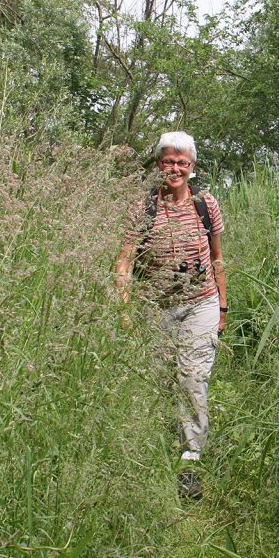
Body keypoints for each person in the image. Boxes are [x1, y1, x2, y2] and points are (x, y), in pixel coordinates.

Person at [115, 131, 227, 500]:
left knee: (193, 376)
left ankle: (190, 460)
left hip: (202, 303)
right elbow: (124, 261)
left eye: (182, 162)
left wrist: (223, 307)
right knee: (161, 380)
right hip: (156, 307)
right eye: (168, 161)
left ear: (192, 168)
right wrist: (125, 309)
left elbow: (217, 258)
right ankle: (160, 443)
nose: (175, 168)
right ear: (158, 164)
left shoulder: (205, 204)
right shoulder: (143, 208)